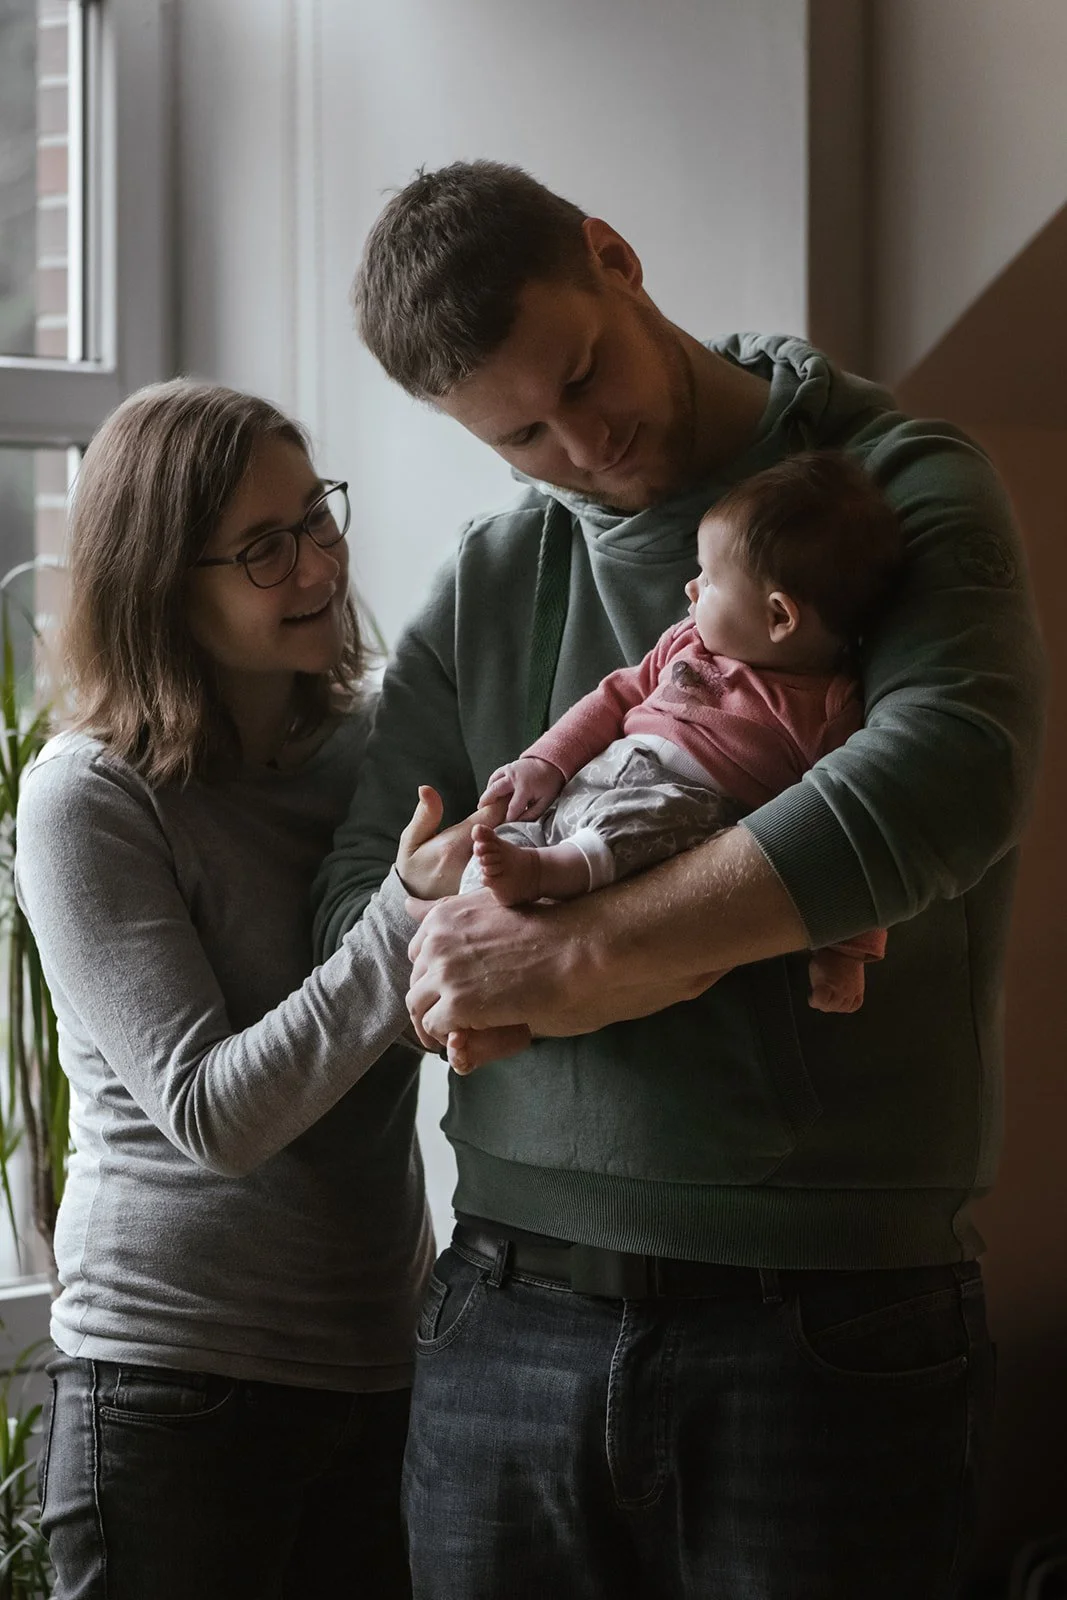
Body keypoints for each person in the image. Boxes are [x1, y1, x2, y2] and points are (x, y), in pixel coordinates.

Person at [314, 162, 1046, 1599]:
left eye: (583, 376)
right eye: (521, 434)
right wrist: (426, 896)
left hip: (823, 1321)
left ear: (615, 257)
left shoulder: (884, 486)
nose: (585, 444)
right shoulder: (494, 571)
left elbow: (947, 772)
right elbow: (355, 889)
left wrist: (574, 961)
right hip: (500, 1312)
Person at [14, 379, 483, 1600]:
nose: (316, 565)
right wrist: (405, 916)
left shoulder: (376, 752)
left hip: (381, 1364)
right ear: (163, 585)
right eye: (261, 549)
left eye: (315, 518)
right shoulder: (90, 796)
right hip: (169, 1383)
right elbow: (213, 1115)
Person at [462, 450, 899, 1025]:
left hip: (685, 817)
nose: (690, 589)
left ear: (780, 617)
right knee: (504, 844)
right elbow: (615, 696)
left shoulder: (827, 709)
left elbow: (850, 829)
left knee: (647, 821)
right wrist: (546, 762)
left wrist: (846, 954)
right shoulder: (686, 640)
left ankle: (543, 875)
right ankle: (485, 992)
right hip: (602, 779)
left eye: (711, 580)